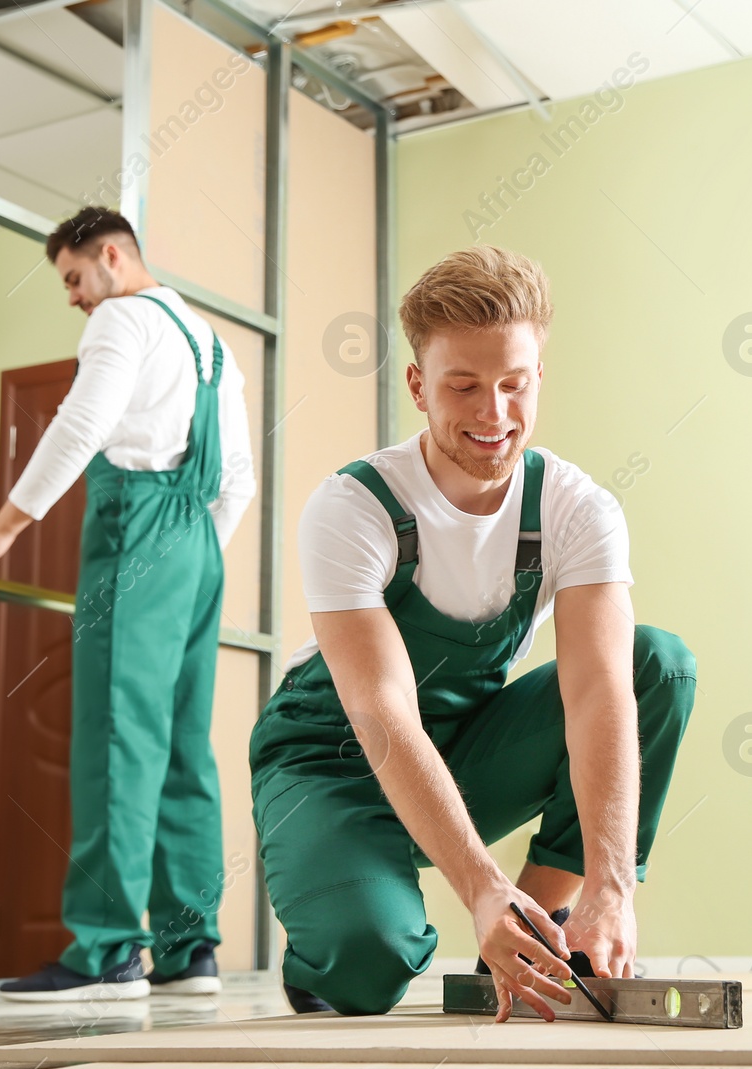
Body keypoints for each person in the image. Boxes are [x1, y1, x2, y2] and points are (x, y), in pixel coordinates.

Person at [249, 245, 696, 1020]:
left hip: (459, 749)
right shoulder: (353, 508)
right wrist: (479, 886)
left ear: (537, 379)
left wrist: (610, 884)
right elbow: (382, 713)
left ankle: (544, 926)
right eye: (463, 385)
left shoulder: (576, 509)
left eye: (514, 385)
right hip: (335, 760)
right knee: (367, 965)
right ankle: (335, 936)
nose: (494, 414)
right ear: (419, 386)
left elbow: (600, 691)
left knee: (657, 662)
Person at [0, 207, 257, 1001]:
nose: (76, 299)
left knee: (117, 734)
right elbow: (239, 480)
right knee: (185, 745)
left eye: (74, 278)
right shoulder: (215, 345)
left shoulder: (123, 318)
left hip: (138, 529)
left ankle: (109, 948)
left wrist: (7, 523)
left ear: (110, 258)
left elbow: (84, 421)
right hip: (198, 546)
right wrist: (194, 557)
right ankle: (191, 951)